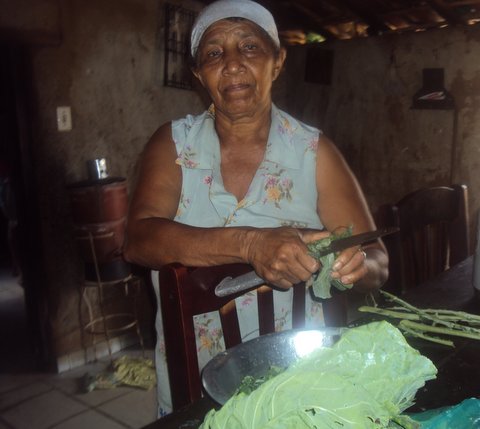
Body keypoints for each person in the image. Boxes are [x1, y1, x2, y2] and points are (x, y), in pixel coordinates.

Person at [124, 0, 388, 416]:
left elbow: (376, 260)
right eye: (214, 53)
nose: (231, 64)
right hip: (196, 377)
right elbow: (138, 241)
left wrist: (356, 267)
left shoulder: (314, 154)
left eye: (249, 47)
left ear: (277, 61)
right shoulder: (172, 145)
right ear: (198, 74)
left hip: (295, 378)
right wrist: (251, 244)